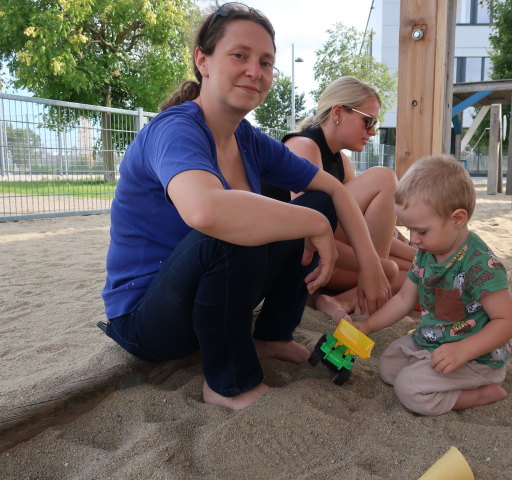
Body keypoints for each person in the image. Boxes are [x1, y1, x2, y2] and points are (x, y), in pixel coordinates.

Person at [100, 2, 391, 411]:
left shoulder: (249, 140)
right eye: (240, 55)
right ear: (203, 60)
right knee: (239, 218)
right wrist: (310, 223)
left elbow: (336, 192)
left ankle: (271, 335)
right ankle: (228, 384)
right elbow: (207, 212)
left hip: (203, 302)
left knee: (316, 201)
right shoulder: (175, 129)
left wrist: (371, 266)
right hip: (147, 320)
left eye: (266, 62)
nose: (256, 71)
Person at [352, 155, 512, 416]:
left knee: (409, 390)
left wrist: (463, 350)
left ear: (457, 218)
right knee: (388, 367)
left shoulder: (480, 265)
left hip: (476, 357)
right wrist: (368, 325)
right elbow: (403, 300)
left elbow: (508, 321)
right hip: (434, 341)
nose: (413, 240)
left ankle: (481, 392)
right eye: (409, 230)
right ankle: (429, 370)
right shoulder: (427, 253)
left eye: (421, 231)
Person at [264, 76, 417, 324]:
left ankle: (343, 300)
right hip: (299, 259)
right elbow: (308, 236)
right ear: (337, 112)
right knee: (384, 178)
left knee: (416, 271)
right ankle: (370, 291)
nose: (373, 131)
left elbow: (360, 227)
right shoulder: (304, 145)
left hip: (330, 259)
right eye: (368, 121)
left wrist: (417, 254)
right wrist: (380, 264)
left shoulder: (341, 161)